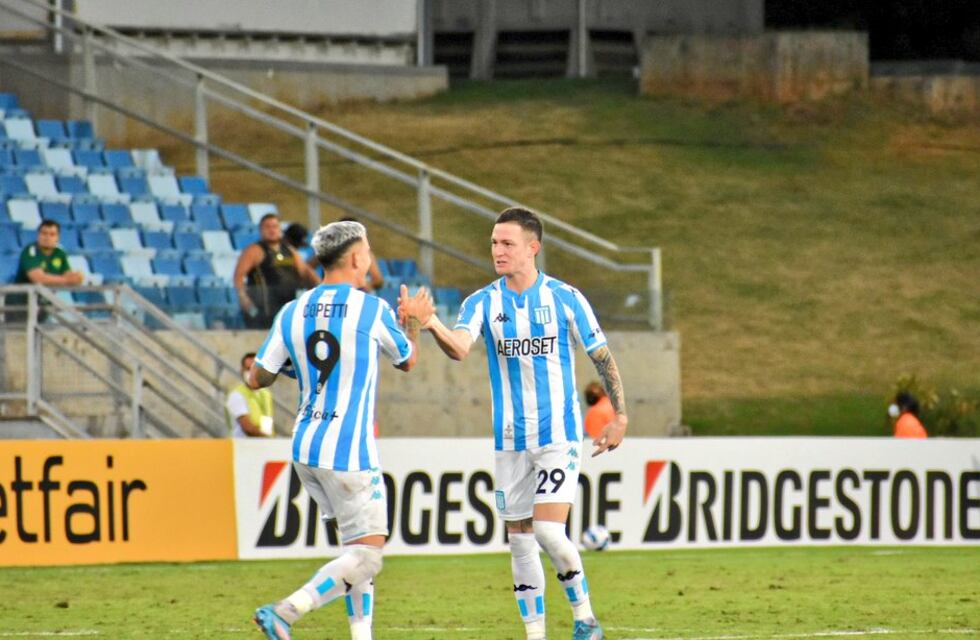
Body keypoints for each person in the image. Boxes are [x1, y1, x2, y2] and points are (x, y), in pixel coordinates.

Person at [404, 207, 627, 640]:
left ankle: (584, 619)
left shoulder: (565, 298)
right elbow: (459, 348)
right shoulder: (482, 302)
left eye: (507, 243)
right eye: (494, 243)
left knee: (547, 531)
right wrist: (430, 323)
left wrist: (620, 416)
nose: (498, 251)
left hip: (558, 436)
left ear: (533, 247)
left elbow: (602, 356)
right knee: (521, 540)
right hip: (510, 440)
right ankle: (535, 635)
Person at [248, 220, 432, 640]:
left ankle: (361, 636)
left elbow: (258, 377)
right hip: (349, 451)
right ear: (355, 258)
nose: (370, 258)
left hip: (306, 448)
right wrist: (414, 321)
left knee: (355, 551)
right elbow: (407, 359)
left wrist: (298, 369)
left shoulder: (292, 311)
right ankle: (286, 611)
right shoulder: (370, 309)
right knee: (368, 557)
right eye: (368, 251)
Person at [234, 213, 319, 329]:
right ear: (261, 230)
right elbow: (238, 276)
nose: (271, 230)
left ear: (280, 229)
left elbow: (305, 272)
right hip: (264, 308)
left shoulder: (289, 250)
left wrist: (320, 287)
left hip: (287, 307)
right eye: (267, 227)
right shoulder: (254, 251)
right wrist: (243, 297)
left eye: (274, 226)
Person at [7, 219, 84, 322]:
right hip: (20, 305)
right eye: (44, 233)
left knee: (41, 330)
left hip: (44, 304)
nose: (47, 237)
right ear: (38, 235)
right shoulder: (31, 251)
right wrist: (67, 280)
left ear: (57, 237)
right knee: (19, 331)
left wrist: (77, 277)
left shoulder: (60, 253)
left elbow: (69, 276)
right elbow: (38, 279)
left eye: (52, 234)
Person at [225, 352, 275, 437]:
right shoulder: (237, 395)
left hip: (262, 443)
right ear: (242, 371)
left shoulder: (265, 394)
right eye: (248, 369)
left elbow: (267, 423)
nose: (251, 373)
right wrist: (267, 439)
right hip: (242, 444)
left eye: (255, 369)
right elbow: (248, 429)